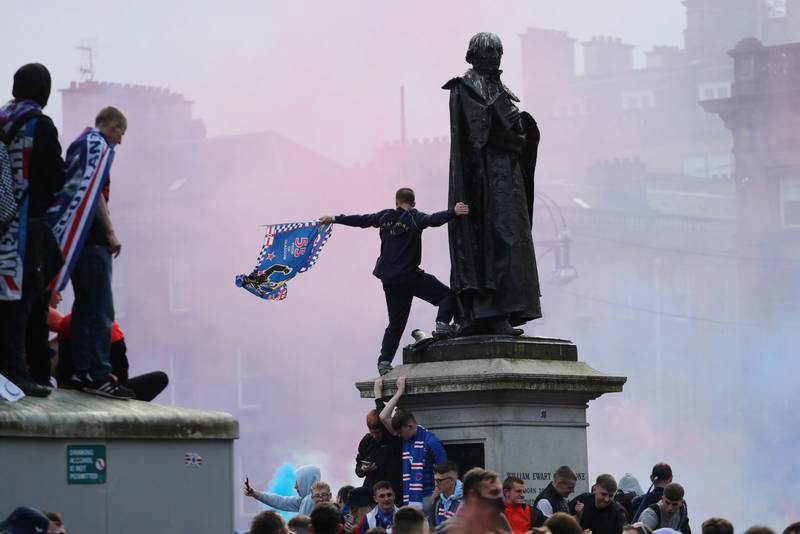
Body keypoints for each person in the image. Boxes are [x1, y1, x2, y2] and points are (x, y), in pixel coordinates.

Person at [443, 32, 542, 336]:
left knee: (510, 243)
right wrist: (511, 127)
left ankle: (504, 310)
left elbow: (517, 134)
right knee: (488, 242)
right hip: (482, 181)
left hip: (506, 181)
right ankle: (484, 312)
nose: (493, 59)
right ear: (473, 55)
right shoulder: (465, 88)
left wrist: (523, 128)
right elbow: (481, 132)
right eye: (487, 54)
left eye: (497, 54)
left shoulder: (503, 90)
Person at [319, 188, 469, 375]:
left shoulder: (385, 217)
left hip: (390, 281)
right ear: (413, 203)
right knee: (447, 295)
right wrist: (453, 212)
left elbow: (361, 220)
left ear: (396, 202)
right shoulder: (414, 217)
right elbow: (432, 220)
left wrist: (334, 218)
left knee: (396, 324)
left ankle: (384, 362)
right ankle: (442, 324)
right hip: (410, 277)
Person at [0, 63, 66, 397]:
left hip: (0, 222)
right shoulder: (39, 125)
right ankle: (14, 372)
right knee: (21, 301)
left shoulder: (2, 118)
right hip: (22, 226)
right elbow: (56, 179)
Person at [56, 106, 131, 398]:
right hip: (93, 240)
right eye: (120, 132)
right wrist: (111, 233)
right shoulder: (98, 148)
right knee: (101, 309)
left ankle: (80, 371)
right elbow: (95, 192)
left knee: (84, 307)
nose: (120, 141)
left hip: (76, 245)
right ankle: (99, 373)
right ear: (111, 126)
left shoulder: (80, 146)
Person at [52, 308, 169, 401]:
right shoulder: (111, 329)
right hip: (104, 393)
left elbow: (63, 372)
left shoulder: (68, 322)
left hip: (73, 387)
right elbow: (122, 374)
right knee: (160, 378)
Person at [379, 377, 447, 512]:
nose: (399, 435)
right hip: (410, 497)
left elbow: (445, 470)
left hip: (428, 496)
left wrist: (437, 493)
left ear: (409, 426)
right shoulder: (406, 439)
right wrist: (399, 392)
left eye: (401, 432)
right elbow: (383, 416)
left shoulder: (431, 442)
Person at [357, 381, 404, 504]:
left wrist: (378, 397)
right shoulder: (366, 441)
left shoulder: (392, 438)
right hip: (371, 491)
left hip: (392, 490)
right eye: (371, 432)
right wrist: (363, 469)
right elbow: (358, 468)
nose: (374, 435)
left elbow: (383, 416)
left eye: (377, 432)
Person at [435, 467, 510, 534]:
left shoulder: (501, 522)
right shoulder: (451, 530)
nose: (498, 499)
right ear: (473, 495)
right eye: (493, 492)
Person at [245, 464, 321, 516]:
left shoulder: (310, 500)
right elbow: (281, 501)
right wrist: (256, 494)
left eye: (298, 482)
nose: (295, 486)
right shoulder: (306, 500)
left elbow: (304, 529)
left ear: (306, 481)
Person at [429, 461, 463, 526]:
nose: (436, 484)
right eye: (435, 480)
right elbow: (432, 528)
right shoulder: (437, 501)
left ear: (451, 481)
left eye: (439, 481)